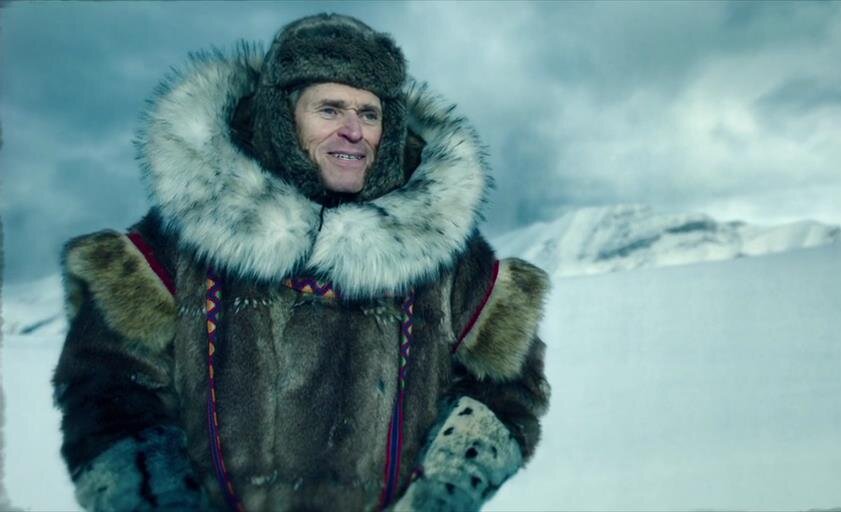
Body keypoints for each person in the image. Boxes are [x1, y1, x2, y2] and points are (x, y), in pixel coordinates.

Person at [52, 13, 550, 511]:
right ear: (282, 115)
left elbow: (507, 389)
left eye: (369, 114)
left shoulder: (442, 247)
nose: (354, 132)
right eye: (329, 110)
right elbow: (107, 385)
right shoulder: (188, 234)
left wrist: (437, 496)